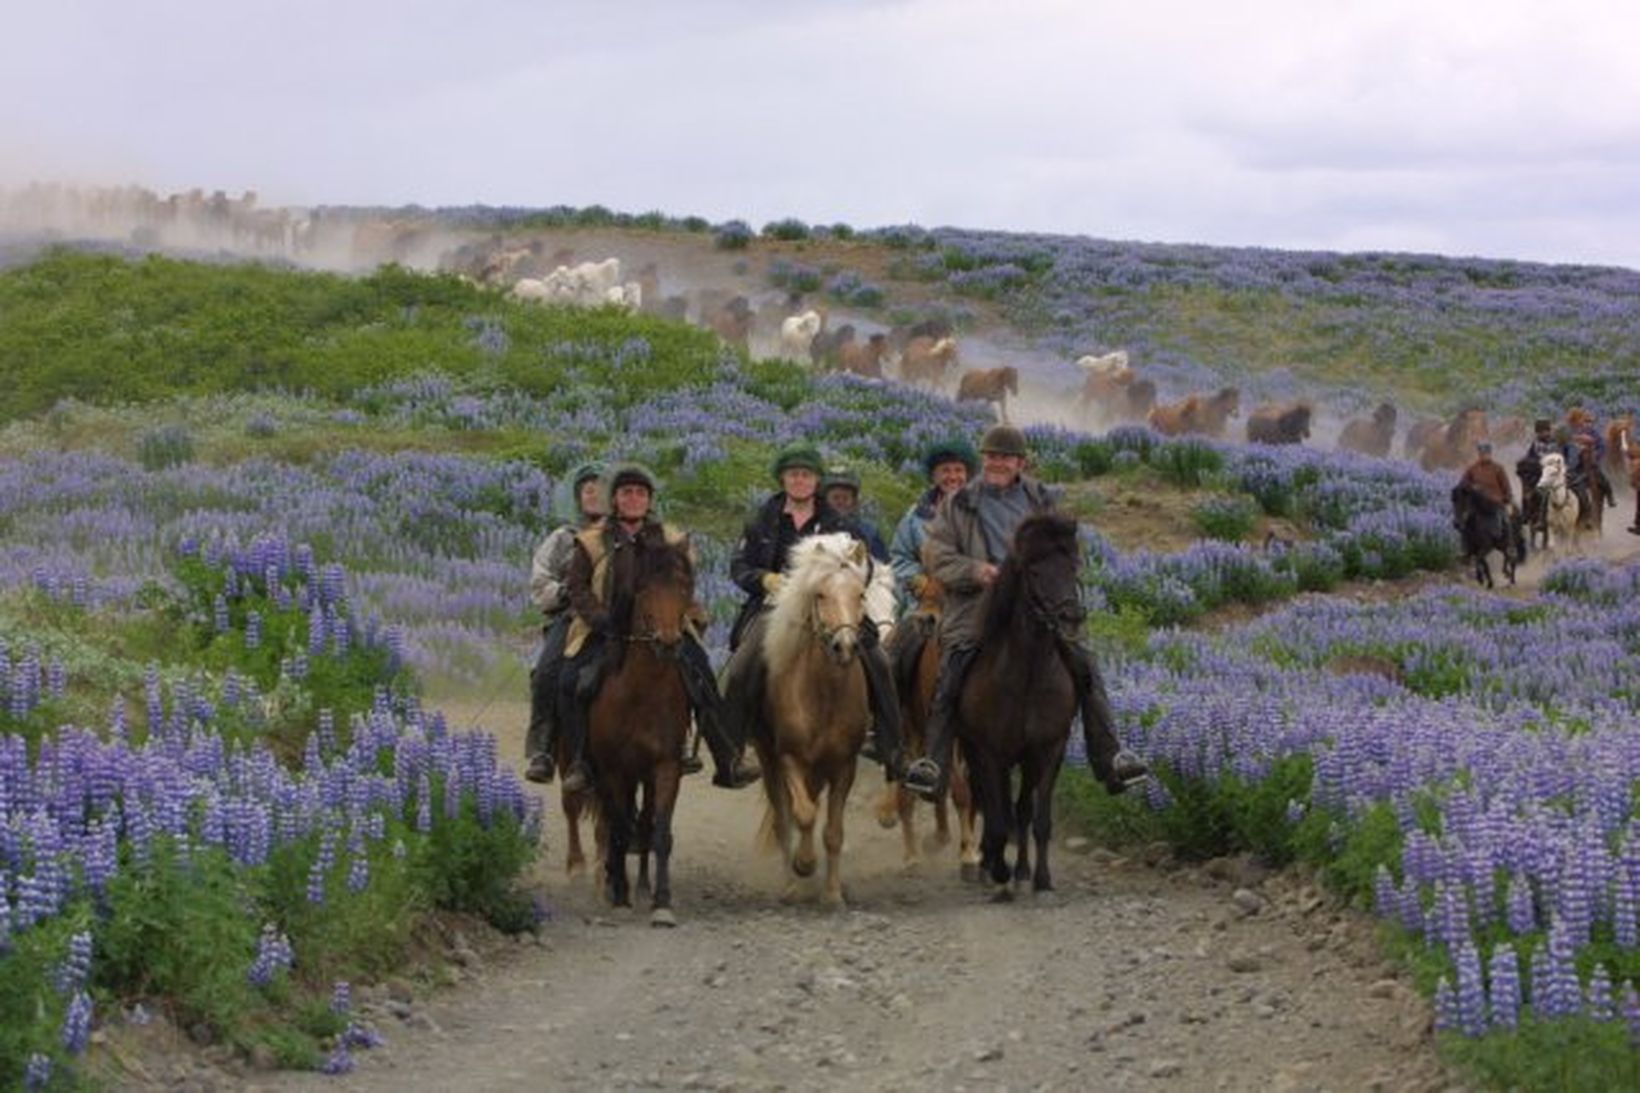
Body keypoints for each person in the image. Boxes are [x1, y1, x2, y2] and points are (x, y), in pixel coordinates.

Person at [902, 424, 1148, 801]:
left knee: (1084, 665)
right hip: (977, 603)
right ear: (983, 459)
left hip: (1036, 604)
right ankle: (934, 763)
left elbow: (1063, 549)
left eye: (1005, 457)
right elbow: (936, 554)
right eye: (991, 456)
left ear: (1020, 462)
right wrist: (976, 571)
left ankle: (1111, 756)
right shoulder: (959, 502)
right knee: (952, 667)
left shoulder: (1040, 498)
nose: (997, 463)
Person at [556, 463, 759, 795]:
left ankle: (727, 757)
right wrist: (599, 618)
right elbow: (577, 587)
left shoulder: (670, 538)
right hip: (604, 626)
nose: (634, 499)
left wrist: (679, 615)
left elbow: (685, 582)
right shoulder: (592, 541)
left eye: (641, 493)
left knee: (702, 675)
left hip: (662, 624)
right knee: (569, 680)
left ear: (649, 500)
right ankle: (580, 759)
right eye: (626, 493)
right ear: (615, 500)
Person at [721, 443, 903, 777]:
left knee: (878, 660)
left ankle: (890, 746)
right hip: (774, 608)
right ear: (783, 480)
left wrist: (845, 585)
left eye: (806, 475)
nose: (800, 480)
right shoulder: (762, 519)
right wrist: (764, 579)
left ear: (816, 480)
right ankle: (733, 751)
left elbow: (867, 567)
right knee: (742, 664)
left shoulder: (838, 523)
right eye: (793, 475)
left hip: (832, 605)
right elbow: (739, 565)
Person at [524, 462, 604, 784]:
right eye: (589, 490)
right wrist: (565, 592)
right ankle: (542, 749)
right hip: (573, 618)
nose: (595, 495)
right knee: (546, 673)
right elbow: (540, 582)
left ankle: (683, 741)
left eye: (602, 489)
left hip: (620, 619)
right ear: (579, 498)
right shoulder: (563, 538)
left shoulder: (626, 535)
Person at [888, 438, 979, 616]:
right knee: (905, 639)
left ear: (967, 474)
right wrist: (919, 582)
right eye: (945, 471)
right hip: (928, 603)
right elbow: (899, 558)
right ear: (934, 476)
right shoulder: (915, 516)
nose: (953, 477)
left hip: (974, 604)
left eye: (959, 470)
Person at [820, 466, 890, 562]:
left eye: (845, 498)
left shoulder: (868, 531)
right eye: (835, 498)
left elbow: (883, 566)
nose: (840, 502)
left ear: (854, 501)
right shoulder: (815, 527)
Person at [1457, 440, 1514, 540]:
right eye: (1482, 453)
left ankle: (1510, 546)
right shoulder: (1472, 469)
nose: (1484, 455)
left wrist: (1507, 499)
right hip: (1477, 503)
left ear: (1490, 453)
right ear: (1479, 454)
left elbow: (1506, 485)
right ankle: (1466, 547)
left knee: (1506, 520)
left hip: (1495, 501)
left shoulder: (1498, 468)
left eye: (1486, 453)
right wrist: (1472, 486)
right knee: (1465, 521)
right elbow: (1463, 483)